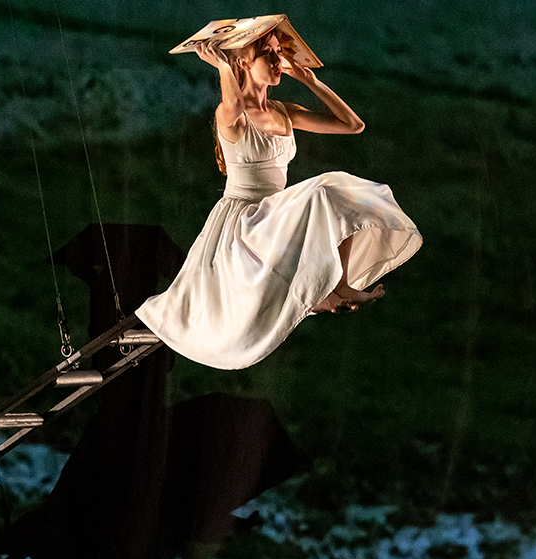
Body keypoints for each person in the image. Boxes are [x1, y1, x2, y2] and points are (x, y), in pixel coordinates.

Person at [135, 25, 423, 370]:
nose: (277, 60)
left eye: (278, 52)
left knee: (343, 193)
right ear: (245, 61)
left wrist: (311, 82)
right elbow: (233, 101)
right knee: (326, 189)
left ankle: (337, 285)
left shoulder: (284, 112)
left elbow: (352, 125)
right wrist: (224, 67)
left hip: (275, 215)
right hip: (245, 221)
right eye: (267, 53)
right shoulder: (231, 116)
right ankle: (328, 291)